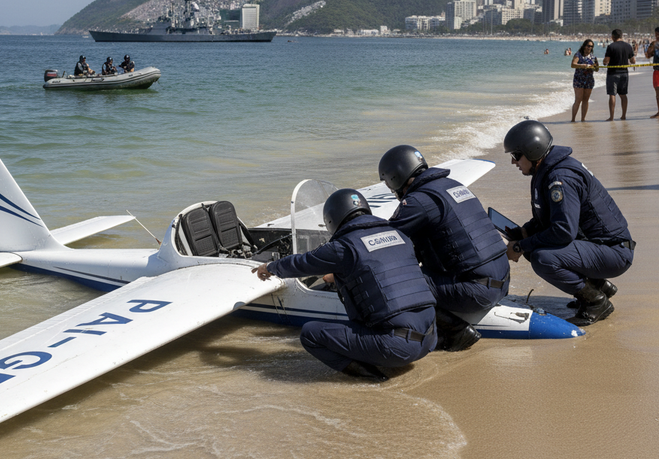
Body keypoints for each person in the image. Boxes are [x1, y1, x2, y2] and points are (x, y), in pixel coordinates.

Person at [251, 189, 437, 381]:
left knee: (310, 334)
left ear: (332, 219)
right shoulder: (399, 235)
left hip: (398, 348)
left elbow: (303, 263)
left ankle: (374, 378)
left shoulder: (344, 247)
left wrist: (271, 267)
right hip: (430, 338)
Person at [503, 120, 634, 326]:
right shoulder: (549, 169)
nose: (513, 162)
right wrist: (525, 232)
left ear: (533, 150)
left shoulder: (559, 177)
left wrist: (520, 246)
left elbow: (563, 231)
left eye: (516, 155)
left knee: (542, 257)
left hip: (614, 252)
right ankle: (598, 286)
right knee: (534, 245)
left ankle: (595, 301)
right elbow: (550, 217)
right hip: (601, 247)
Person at [378, 145, 509, 351]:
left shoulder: (417, 201)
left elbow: (383, 244)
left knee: (398, 282)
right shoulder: (451, 185)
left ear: (396, 177)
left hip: (478, 291)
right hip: (502, 281)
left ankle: (457, 331)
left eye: (388, 183)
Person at [603, 29, 636, 121]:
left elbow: (606, 61)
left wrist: (604, 62)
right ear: (621, 36)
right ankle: (623, 115)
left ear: (613, 37)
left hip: (613, 73)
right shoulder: (628, 46)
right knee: (623, 95)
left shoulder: (611, 46)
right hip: (624, 73)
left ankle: (612, 117)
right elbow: (633, 61)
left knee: (612, 95)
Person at [571, 39, 599, 122]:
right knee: (578, 99)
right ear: (584, 46)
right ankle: (573, 119)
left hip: (589, 80)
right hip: (579, 80)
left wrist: (594, 67)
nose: (589, 48)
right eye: (588, 46)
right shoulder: (578, 55)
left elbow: (597, 69)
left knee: (586, 100)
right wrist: (583, 65)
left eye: (591, 46)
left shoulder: (593, 57)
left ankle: (583, 119)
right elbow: (573, 65)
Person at [646, 27, 659, 118]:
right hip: (657, 70)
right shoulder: (654, 44)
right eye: (656, 34)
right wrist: (651, 47)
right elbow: (648, 56)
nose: (657, 36)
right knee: (658, 92)